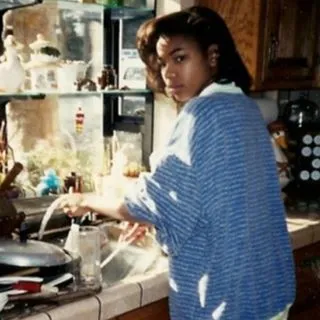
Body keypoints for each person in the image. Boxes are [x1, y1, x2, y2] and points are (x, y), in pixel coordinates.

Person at [59, 6, 295, 320]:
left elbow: (152, 203)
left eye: (180, 58)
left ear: (212, 56)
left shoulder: (203, 114)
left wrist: (86, 200)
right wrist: (155, 215)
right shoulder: (243, 107)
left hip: (229, 301)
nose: (168, 72)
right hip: (268, 291)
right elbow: (202, 199)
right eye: (162, 61)